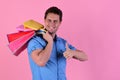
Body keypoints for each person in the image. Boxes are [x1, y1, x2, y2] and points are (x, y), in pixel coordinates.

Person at [27, 6, 88, 80]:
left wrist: (73, 52)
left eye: (55, 21)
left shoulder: (62, 43)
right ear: (44, 20)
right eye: (49, 20)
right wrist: (50, 42)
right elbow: (41, 62)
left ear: (60, 23)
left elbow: (85, 57)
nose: (52, 24)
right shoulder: (35, 41)